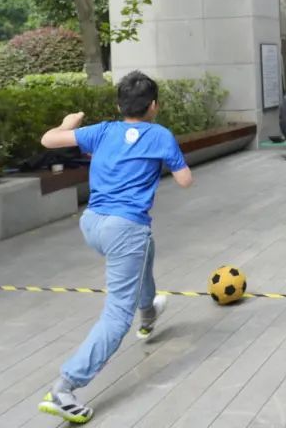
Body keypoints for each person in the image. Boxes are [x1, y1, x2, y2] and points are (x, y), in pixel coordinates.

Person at [37, 71, 193, 424]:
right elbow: (185, 180)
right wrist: (163, 161)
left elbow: (49, 139)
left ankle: (148, 313)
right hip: (125, 229)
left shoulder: (103, 131)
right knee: (117, 314)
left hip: (93, 224)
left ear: (119, 106)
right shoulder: (160, 135)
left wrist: (69, 121)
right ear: (154, 106)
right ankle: (65, 388)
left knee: (145, 251)